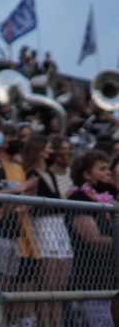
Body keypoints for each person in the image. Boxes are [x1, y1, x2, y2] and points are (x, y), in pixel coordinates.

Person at [21, 134, 73, 327]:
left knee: (59, 288)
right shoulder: (31, 173)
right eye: (48, 147)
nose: (51, 150)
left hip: (59, 226)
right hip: (43, 226)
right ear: (39, 149)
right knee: (47, 286)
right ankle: (45, 322)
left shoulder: (49, 174)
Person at [67, 150, 115, 326]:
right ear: (87, 174)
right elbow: (92, 237)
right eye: (102, 169)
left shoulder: (109, 200)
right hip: (91, 276)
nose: (108, 172)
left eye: (109, 168)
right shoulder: (78, 198)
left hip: (111, 275)